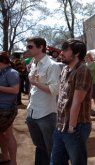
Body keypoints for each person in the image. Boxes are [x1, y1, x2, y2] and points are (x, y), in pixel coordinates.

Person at [50, 39, 92, 165]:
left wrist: (72, 127)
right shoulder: (65, 70)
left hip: (75, 127)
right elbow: (62, 98)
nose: (61, 53)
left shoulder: (82, 70)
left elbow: (77, 102)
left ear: (77, 53)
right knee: (56, 161)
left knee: (77, 162)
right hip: (61, 126)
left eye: (65, 50)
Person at [25, 37, 61, 165]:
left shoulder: (52, 65)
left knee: (53, 149)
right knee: (40, 147)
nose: (27, 49)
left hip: (46, 114)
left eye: (30, 46)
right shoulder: (34, 63)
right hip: (32, 112)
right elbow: (33, 87)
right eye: (27, 46)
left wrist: (35, 83)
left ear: (41, 47)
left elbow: (54, 90)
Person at [0, 51, 19, 165]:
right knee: (1, 134)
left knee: (7, 134)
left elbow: (15, 90)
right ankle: (5, 156)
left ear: (2, 62)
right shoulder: (2, 72)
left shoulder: (12, 73)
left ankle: (13, 161)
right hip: (1, 108)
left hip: (6, 109)